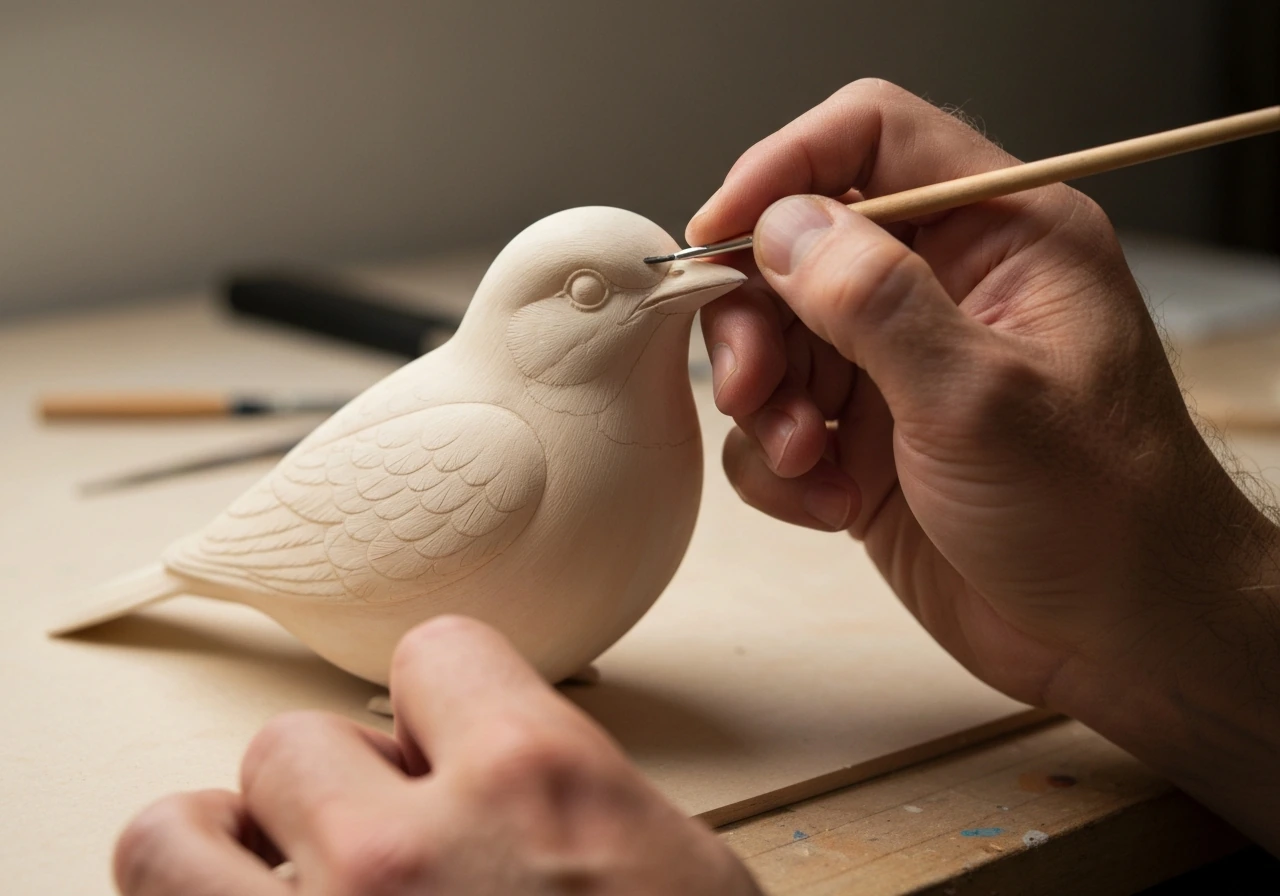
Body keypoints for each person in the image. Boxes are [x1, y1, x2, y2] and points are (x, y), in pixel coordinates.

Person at [112, 80, 1280, 895]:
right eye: (591, 295)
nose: (662, 289)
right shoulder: (478, 440)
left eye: (651, 275)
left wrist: (1152, 602)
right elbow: (325, 542)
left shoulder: (661, 423)